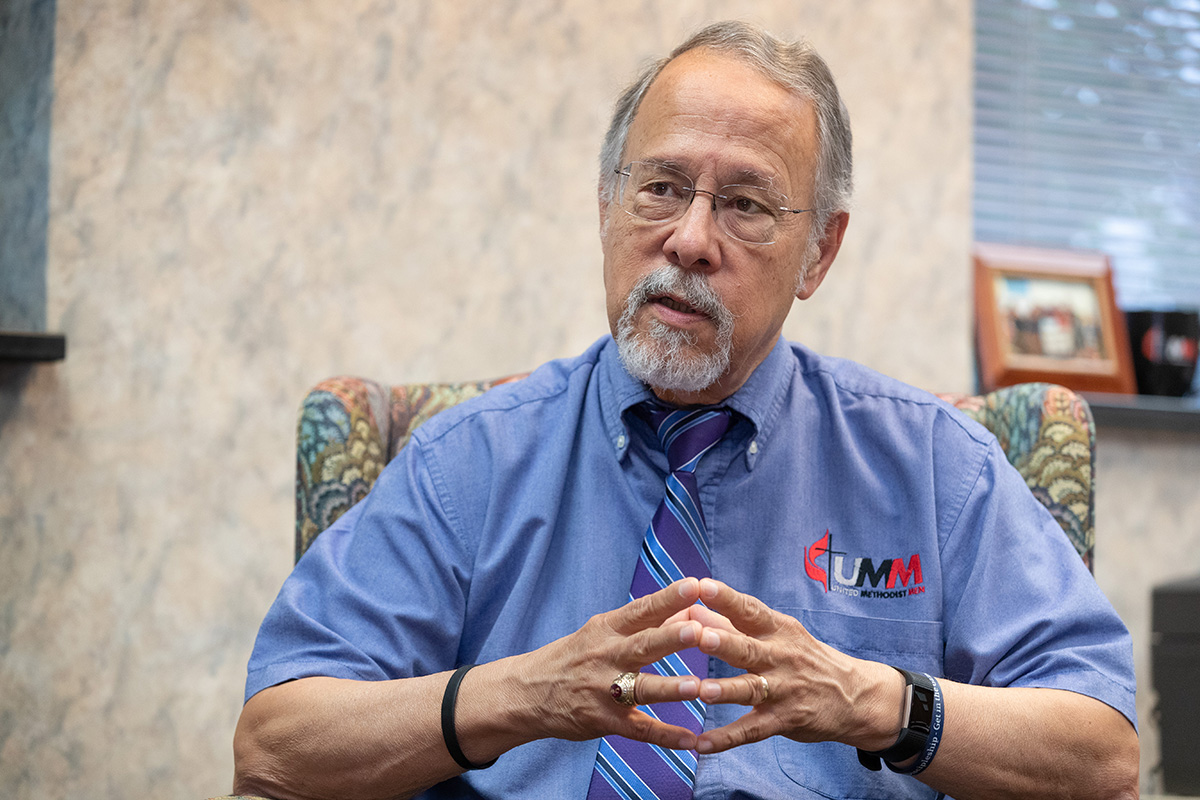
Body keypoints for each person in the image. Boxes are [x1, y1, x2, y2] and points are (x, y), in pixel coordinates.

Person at [233, 21, 1139, 800]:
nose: (690, 239)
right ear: (605, 205)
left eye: (743, 205)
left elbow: (1102, 755)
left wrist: (873, 702)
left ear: (819, 253)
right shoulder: (466, 464)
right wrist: (523, 693)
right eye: (660, 188)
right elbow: (276, 742)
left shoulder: (938, 466)